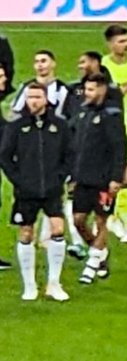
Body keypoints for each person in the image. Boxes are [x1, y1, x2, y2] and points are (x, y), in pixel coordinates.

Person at [0, 80, 70, 302]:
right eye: (30, 97)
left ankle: (54, 283)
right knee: (26, 233)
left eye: (37, 97)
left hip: (52, 188)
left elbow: (70, 154)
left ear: (46, 99)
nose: (33, 101)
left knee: (58, 230)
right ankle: (29, 285)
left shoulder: (59, 126)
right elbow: (5, 156)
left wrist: (60, 177)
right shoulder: (17, 126)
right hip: (26, 190)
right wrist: (18, 180)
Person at [69, 73, 126, 286]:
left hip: (103, 180)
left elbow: (119, 147)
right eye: (86, 89)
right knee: (78, 220)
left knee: (102, 220)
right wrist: (73, 175)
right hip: (83, 178)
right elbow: (75, 147)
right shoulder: (82, 113)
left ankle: (93, 265)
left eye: (92, 90)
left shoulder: (111, 116)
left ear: (102, 90)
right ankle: (99, 252)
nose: (87, 94)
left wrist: (116, 177)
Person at [99, 24, 127, 245]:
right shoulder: (104, 66)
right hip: (113, 125)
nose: (125, 45)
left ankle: (117, 215)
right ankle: (121, 220)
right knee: (119, 175)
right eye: (120, 41)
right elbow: (112, 94)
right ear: (110, 44)